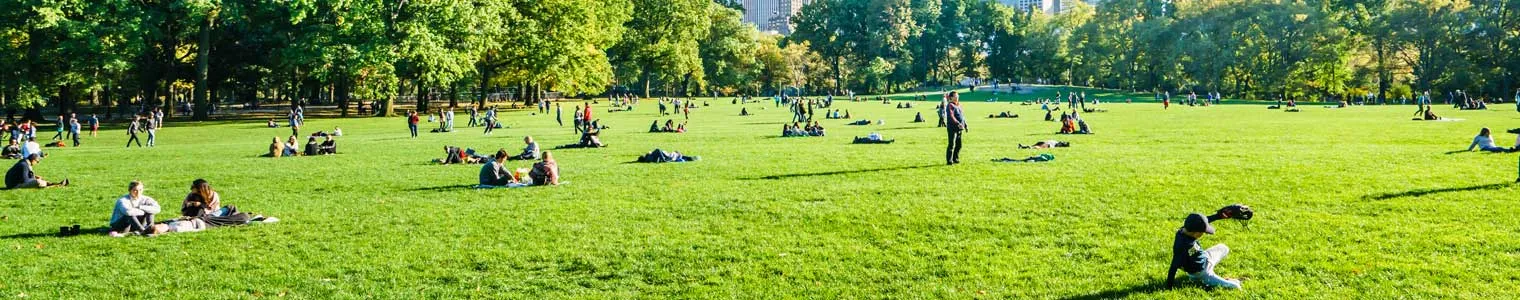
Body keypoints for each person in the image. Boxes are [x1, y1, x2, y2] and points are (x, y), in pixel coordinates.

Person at [1166, 213, 1242, 290]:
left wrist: (1219, 216)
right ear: (1196, 233)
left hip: (1206, 258)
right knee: (1236, 286)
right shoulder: (1182, 247)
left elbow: (1202, 222)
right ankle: (1200, 279)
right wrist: (1169, 287)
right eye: (1203, 232)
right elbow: (1173, 267)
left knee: (1224, 248)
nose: (1204, 233)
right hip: (1202, 273)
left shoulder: (1185, 229)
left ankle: (1213, 276)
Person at [944, 92, 966, 165]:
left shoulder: (959, 105)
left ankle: (955, 158)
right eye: (956, 96)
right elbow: (951, 116)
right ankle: (949, 160)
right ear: (951, 97)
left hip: (959, 128)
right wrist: (958, 123)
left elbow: (962, 116)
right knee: (951, 144)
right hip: (952, 128)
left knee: (959, 145)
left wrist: (965, 124)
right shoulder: (950, 105)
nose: (957, 97)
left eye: (958, 96)